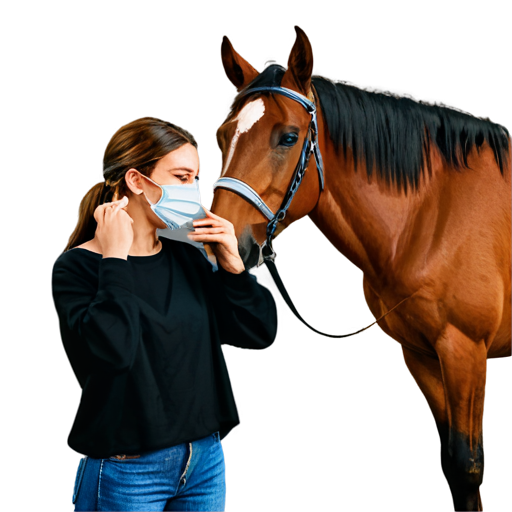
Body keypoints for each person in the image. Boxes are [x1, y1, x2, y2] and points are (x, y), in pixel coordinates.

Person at [51, 117, 278, 511]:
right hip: (129, 471)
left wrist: (232, 265)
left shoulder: (188, 260)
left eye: (196, 177)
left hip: (204, 462)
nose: (194, 190)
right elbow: (112, 352)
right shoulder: (77, 269)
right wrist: (116, 258)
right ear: (137, 181)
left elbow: (259, 331)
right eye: (181, 176)